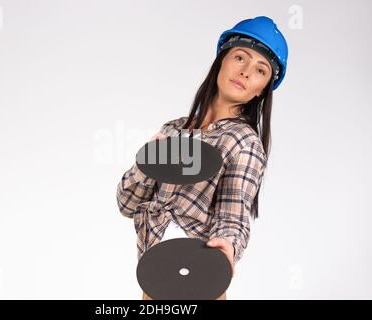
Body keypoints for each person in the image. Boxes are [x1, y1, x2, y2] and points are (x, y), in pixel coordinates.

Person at [116, 16, 289, 300]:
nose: (245, 72)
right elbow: (126, 204)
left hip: (201, 282)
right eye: (240, 57)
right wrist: (147, 163)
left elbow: (233, 212)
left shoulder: (243, 142)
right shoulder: (172, 130)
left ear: (262, 90)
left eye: (260, 70)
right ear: (222, 61)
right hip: (155, 279)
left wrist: (228, 247)